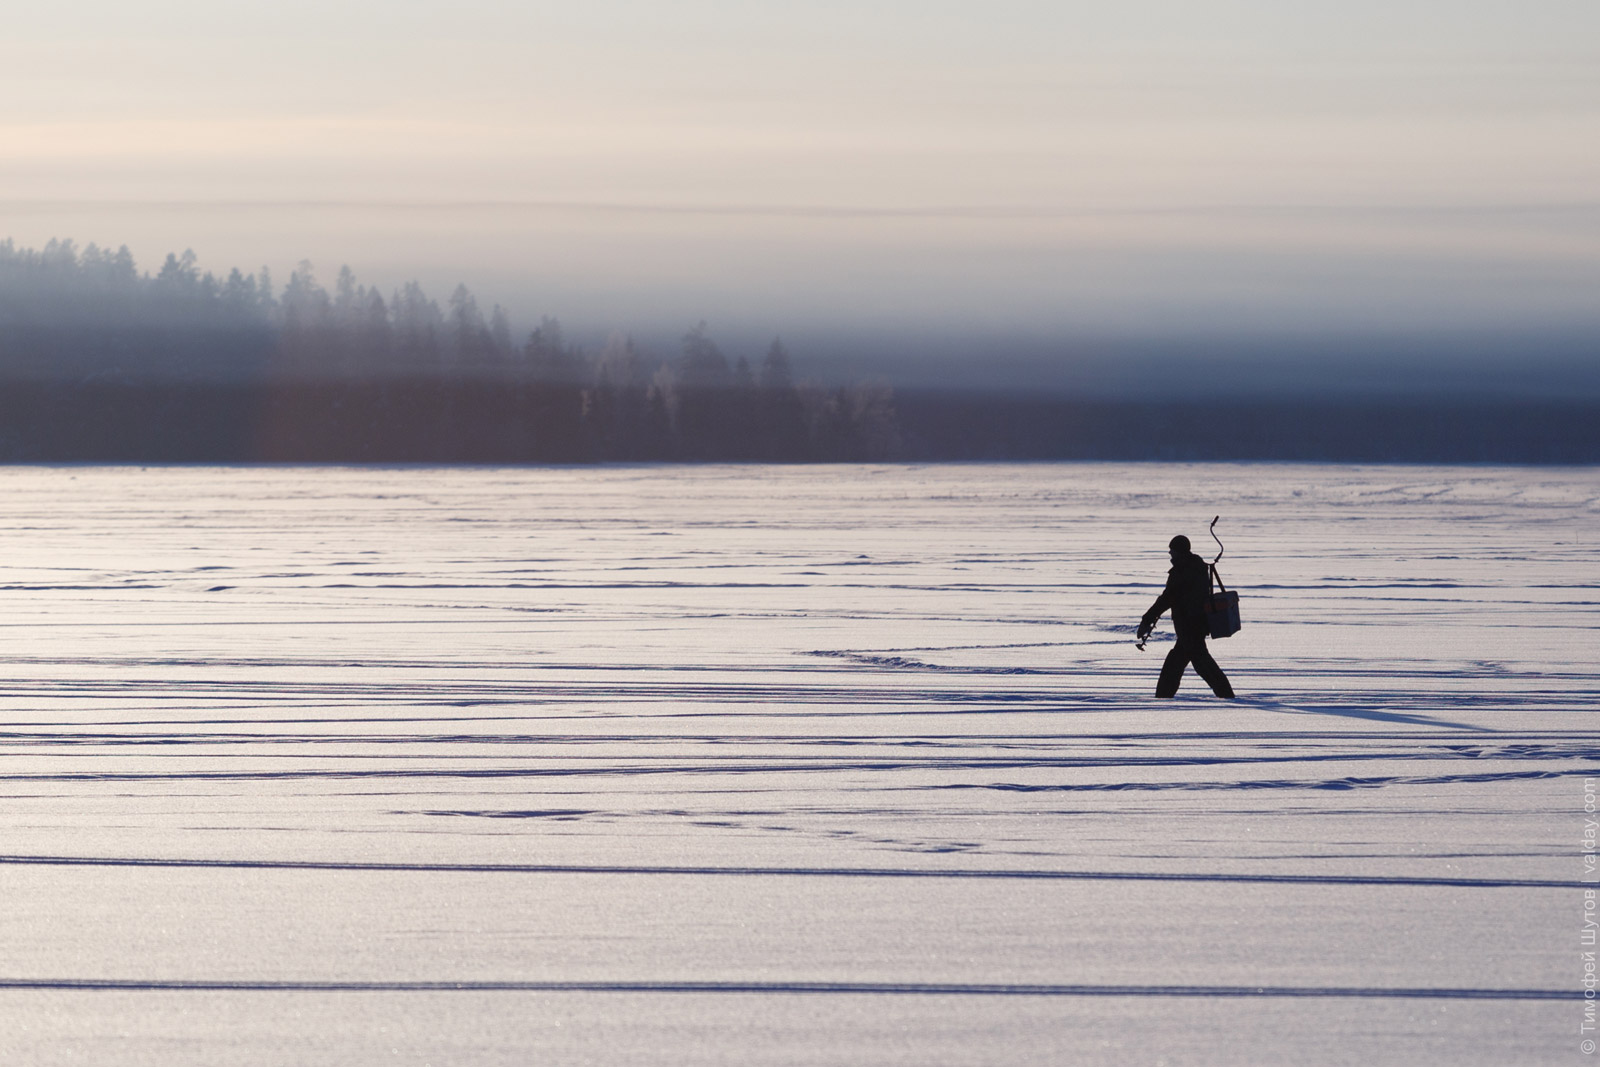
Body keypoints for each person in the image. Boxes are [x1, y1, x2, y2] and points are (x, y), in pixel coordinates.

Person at [1136, 535, 1235, 699]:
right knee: (1189, 663)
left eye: (1172, 552)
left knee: (1193, 665)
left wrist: (1147, 620)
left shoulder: (1182, 571)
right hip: (1196, 625)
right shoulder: (1197, 567)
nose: (1170, 556)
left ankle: (1162, 699)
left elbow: (1167, 598)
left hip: (1189, 626)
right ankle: (1163, 697)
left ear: (1179, 552)